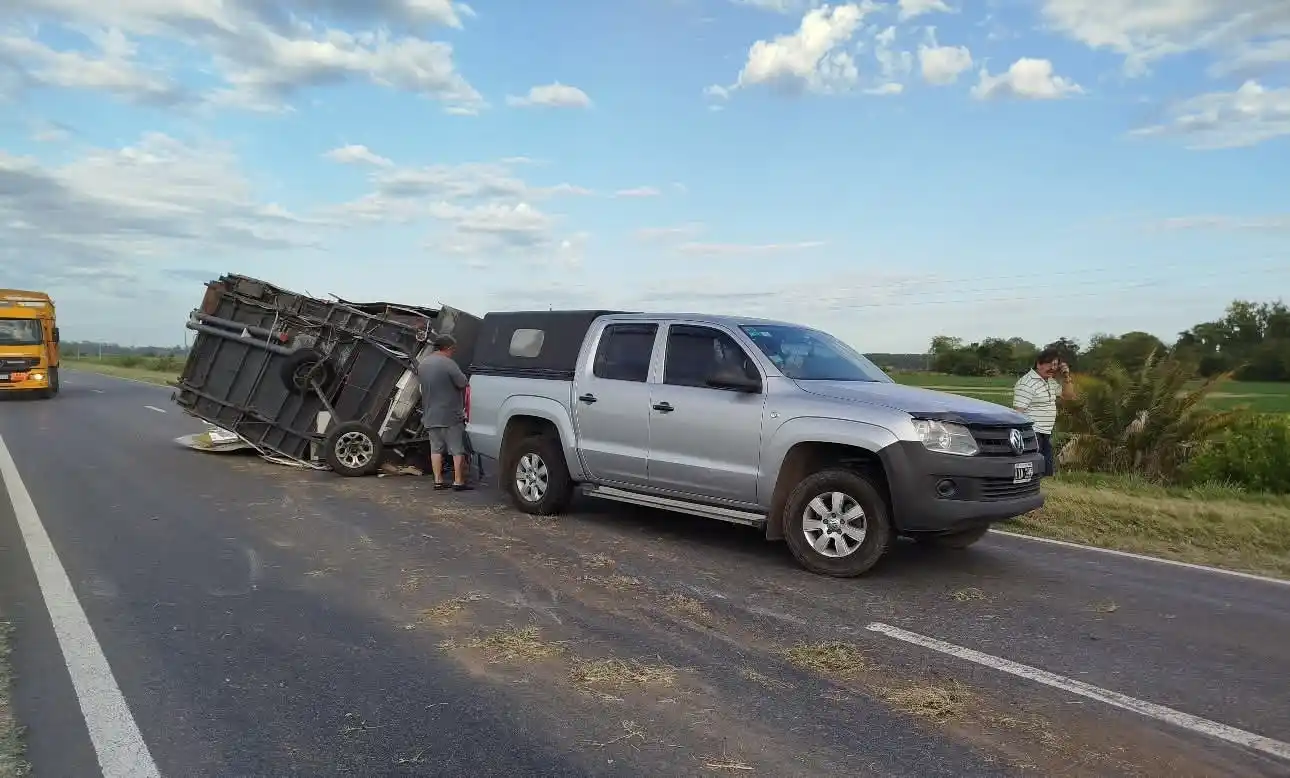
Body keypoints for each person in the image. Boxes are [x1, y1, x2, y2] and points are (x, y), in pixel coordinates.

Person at [417, 334, 472, 491]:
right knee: (457, 449)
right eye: (453, 349)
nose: (453, 352)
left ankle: (438, 481)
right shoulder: (448, 364)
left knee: (435, 449)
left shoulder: (423, 364)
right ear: (447, 348)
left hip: (430, 414)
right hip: (450, 415)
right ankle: (458, 482)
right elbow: (463, 382)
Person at [1013, 347, 1076, 477]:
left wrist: (1066, 376)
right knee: (1034, 471)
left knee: (1046, 471)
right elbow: (1018, 413)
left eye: (1055, 365)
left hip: (1045, 433)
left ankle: (1044, 492)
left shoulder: (1050, 382)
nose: (1053, 368)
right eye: (1049, 364)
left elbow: (1068, 396)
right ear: (1039, 364)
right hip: (1032, 433)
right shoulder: (1027, 384)